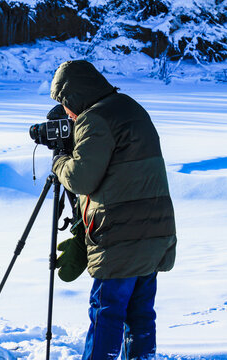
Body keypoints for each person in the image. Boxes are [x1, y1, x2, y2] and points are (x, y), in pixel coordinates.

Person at [50, 60, 177, 360]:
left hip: (121, 237)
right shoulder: (129, 107)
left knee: (107, 312)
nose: (66, 113)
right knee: (141, 313)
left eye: (65, 104)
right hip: (155, 231)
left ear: (74, 97)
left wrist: (59, 159)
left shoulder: (95, 119)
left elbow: (81, 178)